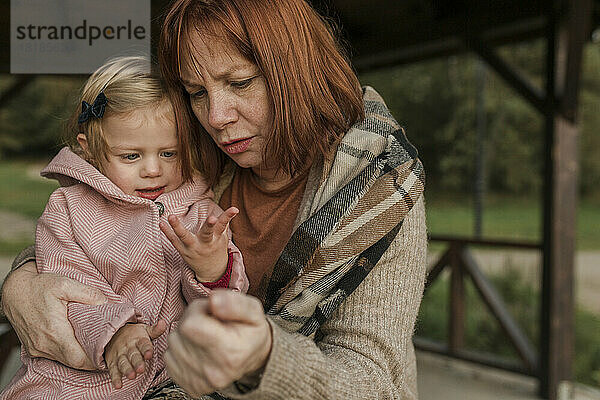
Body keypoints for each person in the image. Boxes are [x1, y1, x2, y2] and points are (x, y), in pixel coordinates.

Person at [1, 0, 428, 399]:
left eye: (239, 82)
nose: (216, 117)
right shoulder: (192, 158)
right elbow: (101, 229)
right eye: (196, 92)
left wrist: (264, 360)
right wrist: (20, 282)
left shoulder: (381, 187)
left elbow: (372, 378)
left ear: (296, 69)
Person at [0, 56, 248, 400]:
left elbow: (219, 316)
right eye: (131, 156)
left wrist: (212, 270)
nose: (152, 169)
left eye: (169, 153)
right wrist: (116, 331)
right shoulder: (68, 210)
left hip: (166, 380)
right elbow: (68, 287)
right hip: (70, 381)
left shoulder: (199, 213)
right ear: (91, 150)